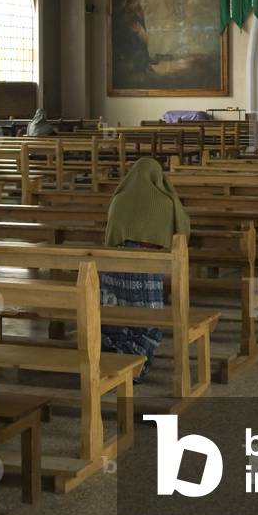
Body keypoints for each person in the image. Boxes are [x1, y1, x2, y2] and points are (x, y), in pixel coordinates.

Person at [101, 157, 190, 383]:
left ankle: (112, 360)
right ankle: (137, 364)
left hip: (113, 266)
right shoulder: (164, 201)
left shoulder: (119, 198)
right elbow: (180, 229)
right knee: (148, 317)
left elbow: (110, 233)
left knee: (114, 312)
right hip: (146, 266)